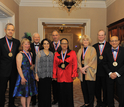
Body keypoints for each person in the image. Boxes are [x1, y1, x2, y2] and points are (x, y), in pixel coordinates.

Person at [53, 38, 78, 107]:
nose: (64, 45)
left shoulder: (72, 52)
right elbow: (55, 65)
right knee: (60, 93)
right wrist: (54, 75)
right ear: (60, 44)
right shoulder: (57, 54)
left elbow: (75, 64)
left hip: (69, 76)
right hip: (60, 76)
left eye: (66, 43)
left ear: (68, 44)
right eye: (63, 43)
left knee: (69, 93)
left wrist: (74, 73)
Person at [13, 37, 37, 107]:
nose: (27, 45)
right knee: (23, 92)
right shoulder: (20, 54)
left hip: (30, 75)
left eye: (28, 44)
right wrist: (22, 77)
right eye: (25, 44)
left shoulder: (31, 54)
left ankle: (28, 105)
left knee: (30, 92)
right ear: (22, 45)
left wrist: (33, 68)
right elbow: (18, 67)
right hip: (23, 75)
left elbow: (31, 64)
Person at [0, 23, 20, 107]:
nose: (10, 31)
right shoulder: (0, 42)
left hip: (14, 70)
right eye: (9, 29)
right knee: (2, 89)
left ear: (14, 31)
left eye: (12, 30)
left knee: (12, 89)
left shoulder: (17, 42)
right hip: (3, 70)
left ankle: (11, 104)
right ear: (5, 30)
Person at [103, 36, 124, 107]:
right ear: (110, 42)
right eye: (112, 41)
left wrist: (117, 73)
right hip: (110, 75)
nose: (114, 42)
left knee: (121, 93)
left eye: (115, 41)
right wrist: (110, 73)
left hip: (121, 75)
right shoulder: (106, 51)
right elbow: (104, 63)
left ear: (119, 41)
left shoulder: (123, 50)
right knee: (109, 93)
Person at [77, 35, 97, 107]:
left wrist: (84, 68)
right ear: (82, 41)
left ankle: (91, 104)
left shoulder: (92, 49)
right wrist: (80, 68)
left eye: (87, 40)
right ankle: (86, 103)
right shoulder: (80, 50)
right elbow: (78, 61)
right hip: (82, 73)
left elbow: (93, 60)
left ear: (89, 41)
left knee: (90, 90)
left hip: (89, 72)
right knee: (84, 89)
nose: (85, 41)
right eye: (84, 40)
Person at [93, 30, 111, 107]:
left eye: (102, 35)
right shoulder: (94, 46)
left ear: (105, 36)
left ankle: (105, 102)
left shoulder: (109, 46)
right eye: (99, 35)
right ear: (97, 36)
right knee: (97, 88)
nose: (100, 36)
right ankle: (99, 101)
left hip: (106, 70)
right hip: (96, 71)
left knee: (106, 87)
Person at [35, 38, 53, 107]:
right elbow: (37, 64)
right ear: (42, 45)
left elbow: (53, 65)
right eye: (44, 43)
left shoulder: (52, 54)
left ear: (49, 45)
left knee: (48, 91)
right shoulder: (39, 53)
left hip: (49, 75)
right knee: (42, 92)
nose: (46, 45)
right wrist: (36, 74)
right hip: (41, 75)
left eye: (47, 43)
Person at [51, 30, 61, 105]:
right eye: (53, 35)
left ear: (59, 35)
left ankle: (61, 99)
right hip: (52, 67)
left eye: (56, 35)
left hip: (61, 68)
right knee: (54, 85)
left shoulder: (63, 44)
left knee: (60, 84)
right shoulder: (50, 44)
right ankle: (55, 99)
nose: (55, 36)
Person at [30, 32, 40, 105]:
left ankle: (40, 99)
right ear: (33, 38)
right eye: (35, 37)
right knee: (33, 84)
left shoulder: (43, 46)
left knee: (40, 84)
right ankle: (33, 100)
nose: (37, 38)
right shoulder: (29, 46)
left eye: (38, 37)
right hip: (32, 68)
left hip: (40, 68)